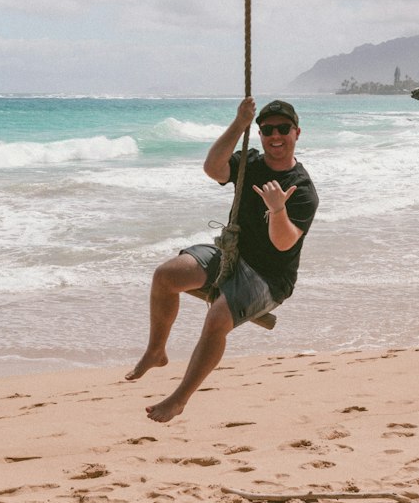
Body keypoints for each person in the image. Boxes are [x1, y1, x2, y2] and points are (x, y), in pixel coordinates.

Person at [126, 97, 319, 422]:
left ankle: (178, 399)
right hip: (232, 254)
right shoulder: (251, 163)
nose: (275, 135)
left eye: (283, 129)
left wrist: (277, 208)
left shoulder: (301, 189)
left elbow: (283, 243)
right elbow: (213, 168)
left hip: (269, 278)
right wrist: (238, 124)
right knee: (166, 276)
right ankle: (156, 351)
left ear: (297, 132)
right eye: (267, 129)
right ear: (259, 134)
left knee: (217, 320)